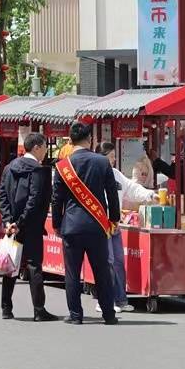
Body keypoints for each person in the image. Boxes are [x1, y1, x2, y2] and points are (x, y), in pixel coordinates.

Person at [51, 121, 120, 325]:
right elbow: (112, 194)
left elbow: (57, 199)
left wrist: (57, 223)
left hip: (71, 225)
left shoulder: (63, 166)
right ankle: (108, 314)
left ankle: (76, 315)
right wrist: (113, 219)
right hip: (97, 225)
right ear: (90, 139)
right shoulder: (102, 162)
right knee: (102, 272)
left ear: (70, 141)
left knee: (72, 272)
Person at [0, 133, 57, 322]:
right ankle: (39, 309)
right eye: (44, 147)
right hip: (30, 225)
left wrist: (9, 221)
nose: (45, 151)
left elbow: (2, 196)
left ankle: (6, 308)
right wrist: (21, 222)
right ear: (37, 147)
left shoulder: (9, 168)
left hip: (12, 226)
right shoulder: (39, 171)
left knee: (10, 265)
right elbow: (34, 200)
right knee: (34, 266)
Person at [96, 142, 157, 313]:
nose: (114, 160)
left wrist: (149, 195)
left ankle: (120, 299)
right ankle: (104, 301)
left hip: (115, 224)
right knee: (107, 262)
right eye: (111, 156)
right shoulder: (94, 173)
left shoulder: (116, 174)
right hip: (101, 224)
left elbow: (131, 188)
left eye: (115, 156)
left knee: (118, 262)